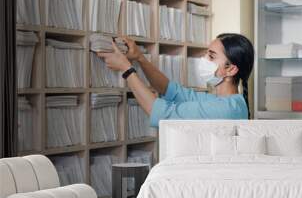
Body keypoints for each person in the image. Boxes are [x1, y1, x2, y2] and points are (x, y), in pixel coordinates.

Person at [97, 33, 254, 127]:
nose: (204, 59)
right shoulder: (222, 101)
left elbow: (160, 113)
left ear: (231, 69)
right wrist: (140, 58)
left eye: (211, 56)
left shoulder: (226, 108)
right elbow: (169, 89)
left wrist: (126, 69)